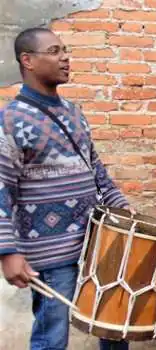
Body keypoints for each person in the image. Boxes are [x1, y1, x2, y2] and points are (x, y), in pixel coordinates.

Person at [0, 27, 130, 350]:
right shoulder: (10, 120)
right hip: (50, 254)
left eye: (66, 50)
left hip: (96, 242)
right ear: (27, 61)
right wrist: (8, 252)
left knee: (113, 326)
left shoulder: (74, 113)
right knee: (52, 337)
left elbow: (94, 168)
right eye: (55, 51)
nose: (66, 57)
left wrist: (121, 206)